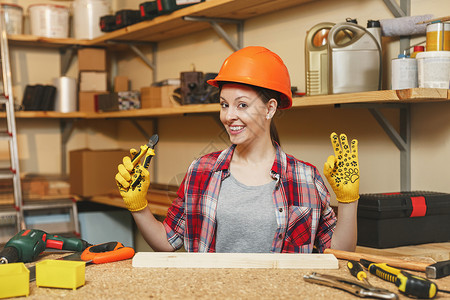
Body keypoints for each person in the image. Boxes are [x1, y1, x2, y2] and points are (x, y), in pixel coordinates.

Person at [115, 46, 360, 253]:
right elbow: (167, 241)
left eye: (242, 105)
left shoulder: (305, 178)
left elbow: (339, 253)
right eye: (224, 104)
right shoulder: (201, 170)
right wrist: (139, 207)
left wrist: (348, 202)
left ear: (270, 109)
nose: (229, 115)